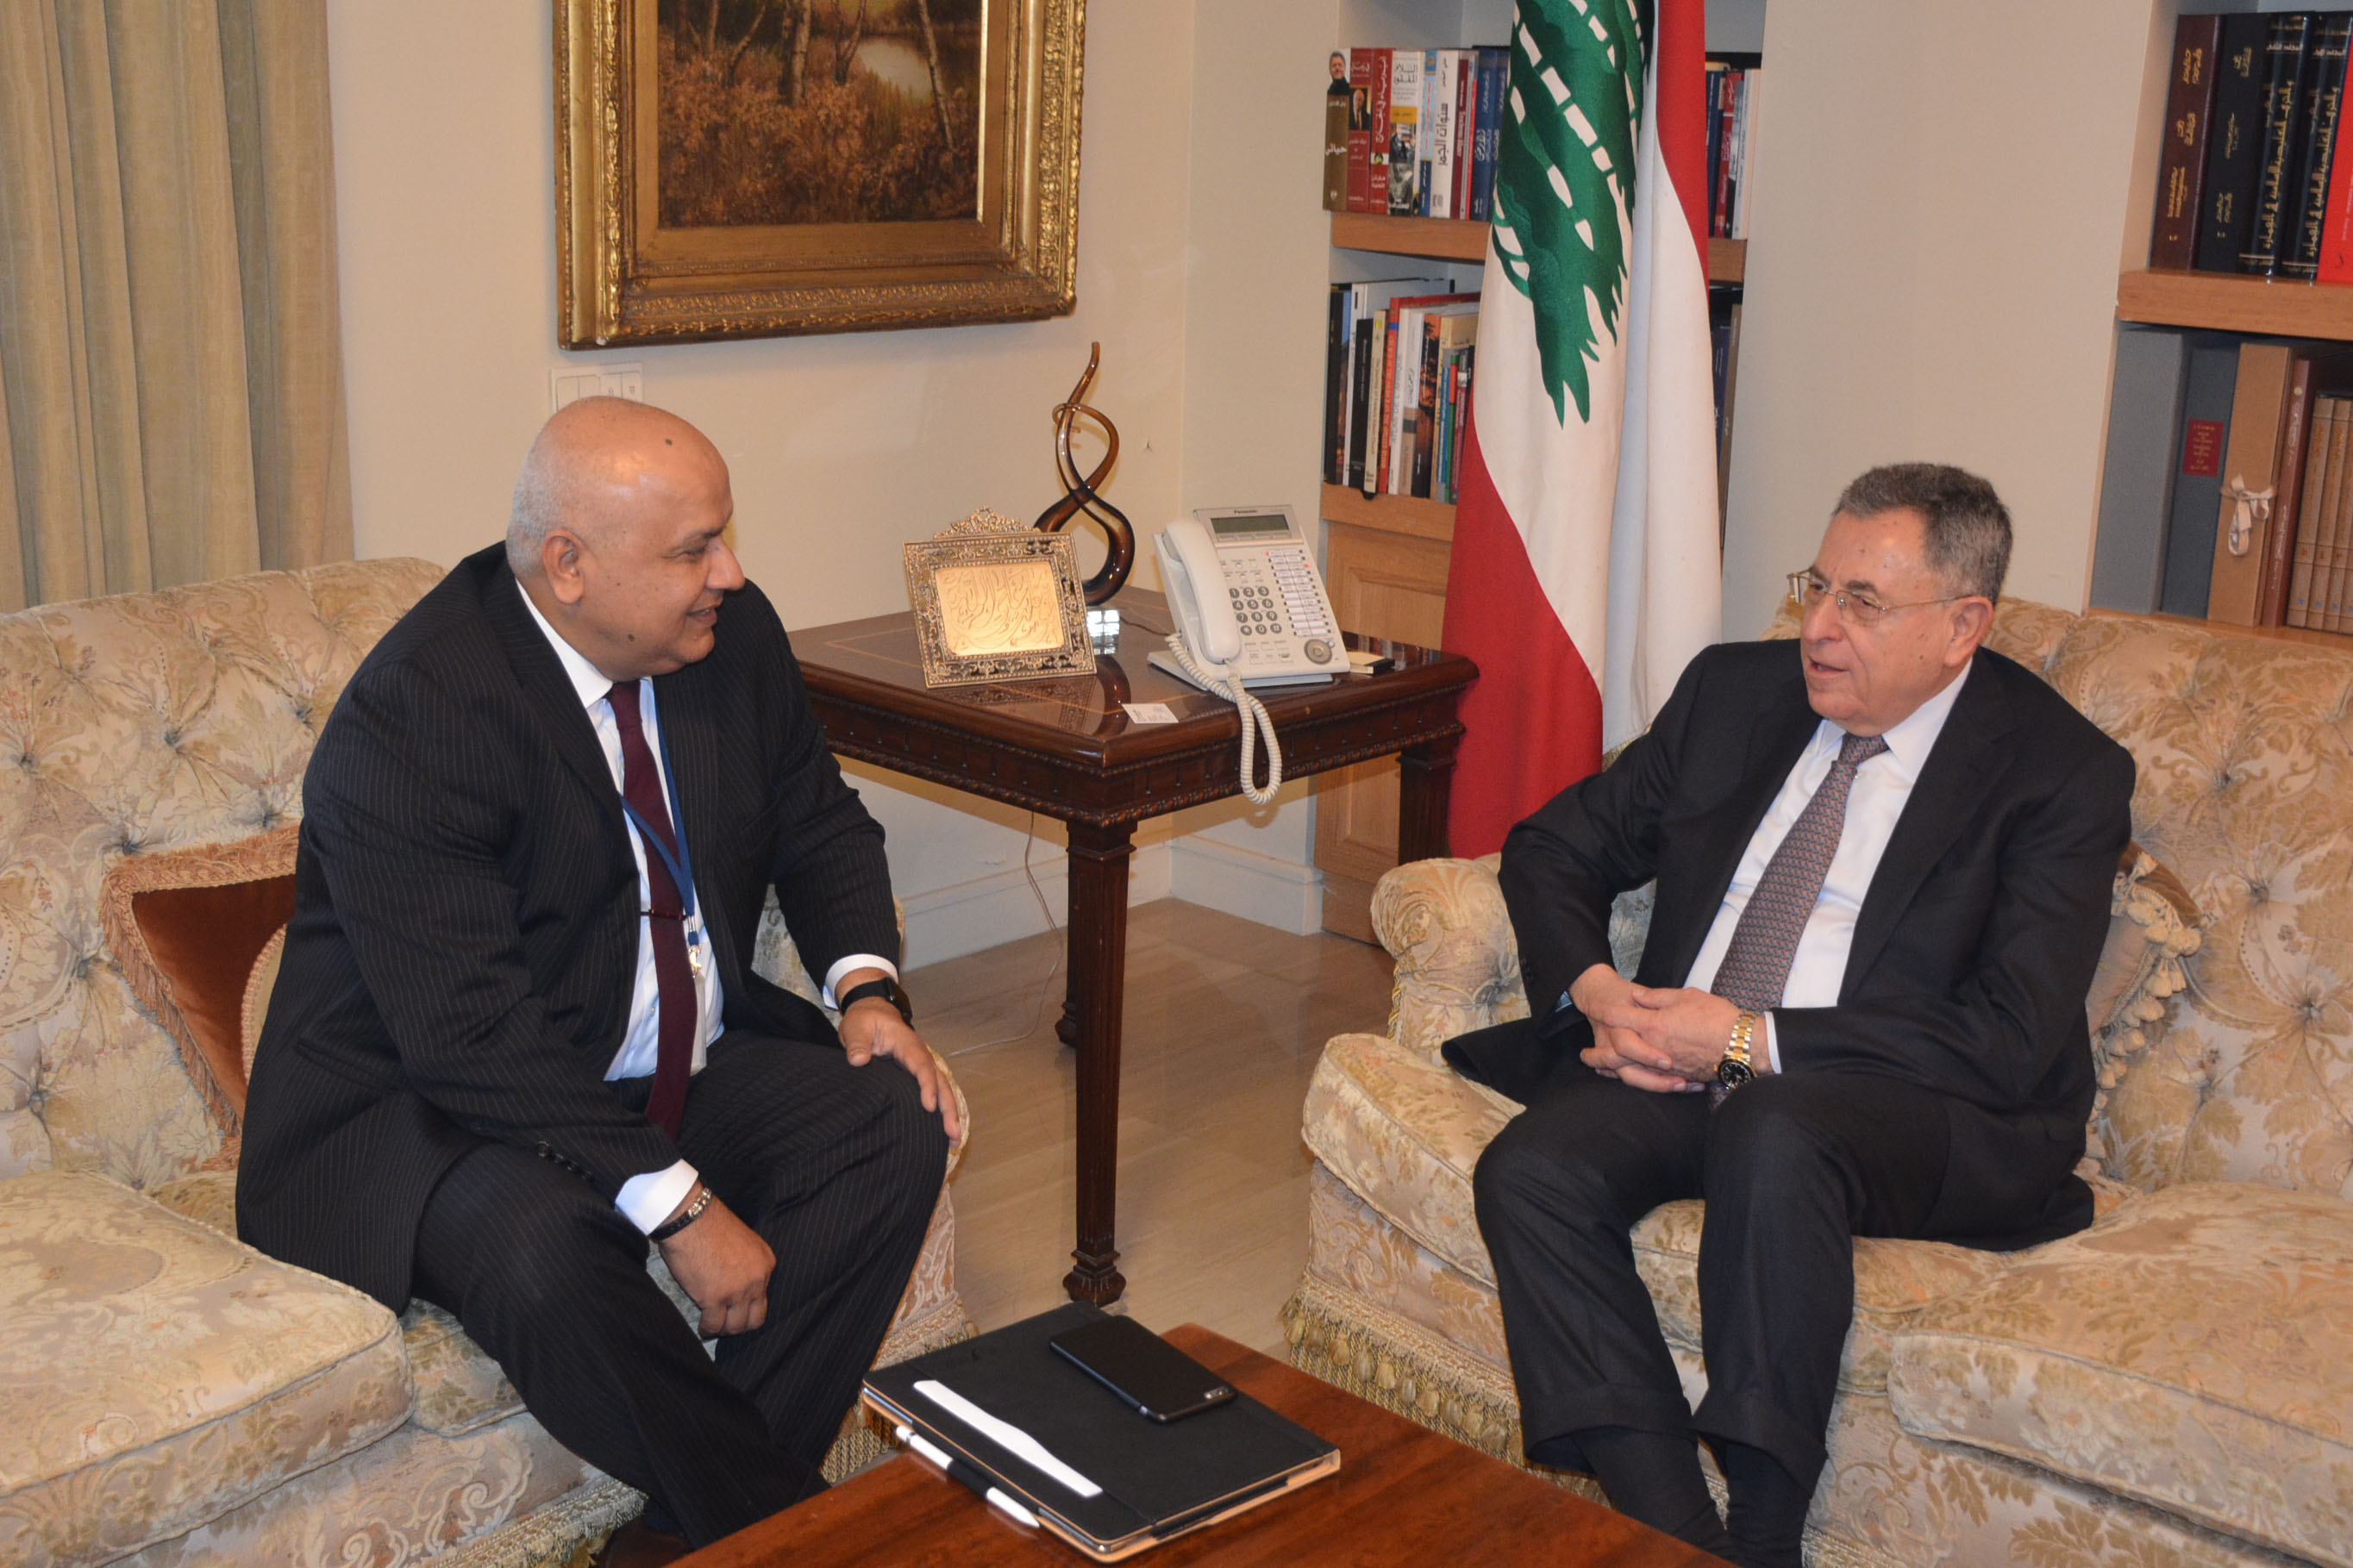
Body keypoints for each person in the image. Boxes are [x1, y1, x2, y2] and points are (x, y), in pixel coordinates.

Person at [238, 397, 958, 1556]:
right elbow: (471, 1035)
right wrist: (682, 1206)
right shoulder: (420, 710)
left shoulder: (728, 636)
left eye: (722, 536)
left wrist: (865, 991)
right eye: (691, 550)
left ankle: (682, 1538)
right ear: (567, 565)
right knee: (545, 1253)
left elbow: (817, 819)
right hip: (433, 1111)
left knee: (890, 1117)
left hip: (654, 1060)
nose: (729, 573)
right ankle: (796, 1532)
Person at [1455, 464, 2132, 1568]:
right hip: (1687, 1063)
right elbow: (1551, 847)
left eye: (1860, 602)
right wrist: (1601, 994)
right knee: (1530, 1171)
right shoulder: (1734, 694)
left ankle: (1765, 1535)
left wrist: (1739, 1039)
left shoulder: (2058, 773)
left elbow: (2005, 1036)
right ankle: (1677, 1535)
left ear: (1961, 626)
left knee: (1776, 1127)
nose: (1816, 627)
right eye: (1815, 586)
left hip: (1918, 1106)